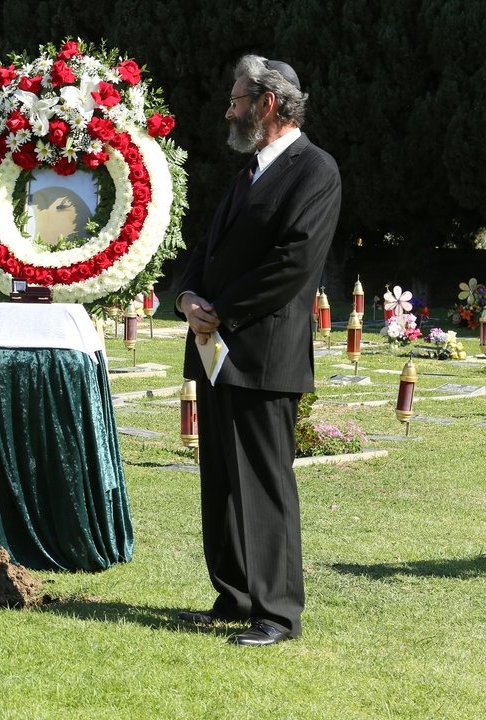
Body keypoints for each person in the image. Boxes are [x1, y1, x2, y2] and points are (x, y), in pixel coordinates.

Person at [173, 56, 341, 646]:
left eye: (237, 100)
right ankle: (236, 595)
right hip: (216, 350)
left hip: (265, 355)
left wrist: (222, 310)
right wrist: (188, 297)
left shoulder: (314, 170)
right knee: (220, 478)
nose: (229, 110)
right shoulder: (248, 171)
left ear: (268, 104)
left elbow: (294, 262)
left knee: (265, 484)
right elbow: (208, 249)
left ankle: (277, 613)